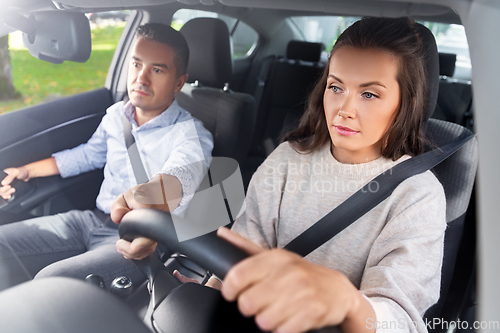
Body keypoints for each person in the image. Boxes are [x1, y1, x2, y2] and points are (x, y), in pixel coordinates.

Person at [113, 17, 445, 333]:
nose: (345, 108)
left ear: (406, 103)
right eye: (336, 87)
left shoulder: (417, 194)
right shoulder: (288, 158)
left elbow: (399, 319)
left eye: (369, 94)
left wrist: (349, 305)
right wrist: (209, 291)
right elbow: (242, 251)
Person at [0, 23, 213, 291]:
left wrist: (149, 204)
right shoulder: (116, 116)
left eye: (157, 70)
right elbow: (88, 155)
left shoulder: (191, 135)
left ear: (179, 82)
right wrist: (27, 171)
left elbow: (183, 175)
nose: (141, 78)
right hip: (89, 220)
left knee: (49, 284)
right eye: (136, 64)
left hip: (138, 237)